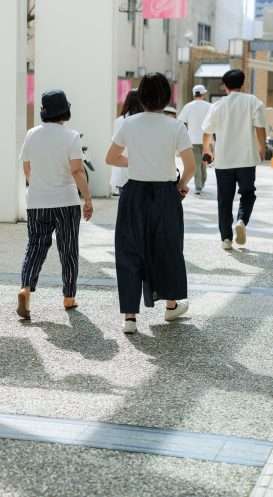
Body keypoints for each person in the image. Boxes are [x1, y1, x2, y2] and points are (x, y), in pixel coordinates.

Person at [105, 73, 195, 334]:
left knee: (129, 250)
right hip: (166, 194)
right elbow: (190, 167)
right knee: (168, 248)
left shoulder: (129, 123)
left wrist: (136, 161)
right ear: (166, 96)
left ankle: (130, 318)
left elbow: (111, 158)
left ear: (142, 96)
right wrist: (180, 184)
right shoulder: (176, 126)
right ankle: (170, 306)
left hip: (133, 193)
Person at [17, 89, 93, 320]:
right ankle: (69, 297)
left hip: (37, 203)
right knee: (68, 250)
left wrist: (40, 187)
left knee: (35, 248)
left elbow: (27, 169)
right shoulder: (71, 136)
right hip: (66, 202)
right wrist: (87, 198)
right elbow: (77, 170)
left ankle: (25, 289)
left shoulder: (31, 134)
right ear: (65, 112)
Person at [201, 69, 266, 250]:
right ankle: (242, 220)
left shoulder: (217, 105)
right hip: (247, 159)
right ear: (243, 84)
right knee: (247, 194)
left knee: (224, 200)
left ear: (225, 86)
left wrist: (207, 149)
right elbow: (260, 128)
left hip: (223, 162)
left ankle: (226, 239)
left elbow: (207, 131)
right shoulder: (253, 101)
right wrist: (262, 148)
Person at [177, 85, 213, 195]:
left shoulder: (188, 107)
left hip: (192, 140)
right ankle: (200, 184)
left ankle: (199, 186)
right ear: (203, 94)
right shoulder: (210, 106)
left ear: (193, 95)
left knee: (197, 163)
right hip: (207, 140)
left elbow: (181, 122)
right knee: (204, 163)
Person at [110, 89, 144, 195]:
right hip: (142, 170)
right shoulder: (145, 120)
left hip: (123, 169)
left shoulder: (120, 121)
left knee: (124, 204)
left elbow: (115, 146)